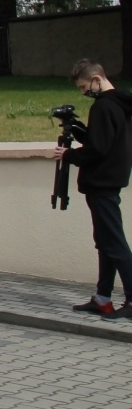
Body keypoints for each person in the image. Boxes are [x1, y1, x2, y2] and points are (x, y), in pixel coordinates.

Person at [53, 59, 132, 319]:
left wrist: (68, 155)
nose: (84, 92)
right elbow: (103, 140)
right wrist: (79, 131)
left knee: (115, 245)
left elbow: (97, 150)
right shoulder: (120, 103)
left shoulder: (103, 107)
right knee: (106, 244)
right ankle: (102, 298)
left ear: (97, 79)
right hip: (111, 180)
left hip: (102, 184)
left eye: (84, 86)